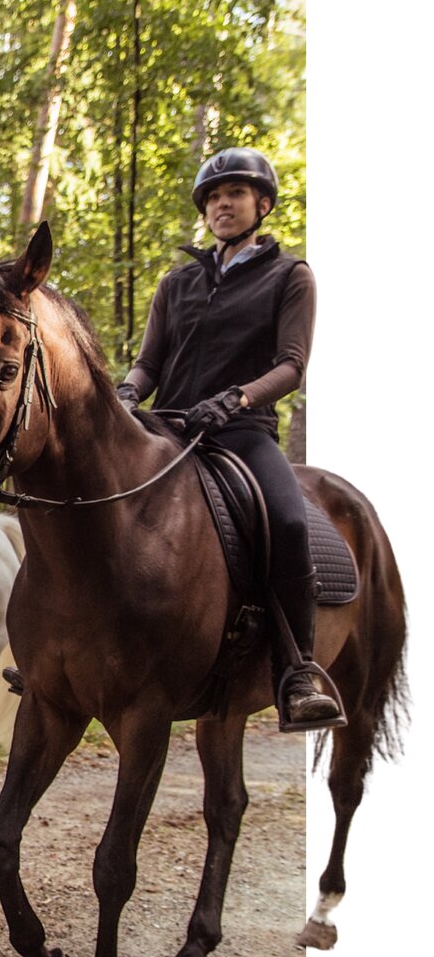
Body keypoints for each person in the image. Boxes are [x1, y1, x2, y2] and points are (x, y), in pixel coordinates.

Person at [117, 147, 344, 732]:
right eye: (214, 197)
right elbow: (149, 364)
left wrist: (238, 398)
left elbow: (292, 365)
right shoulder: (178, 282)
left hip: (241, 431)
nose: (222, 204)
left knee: (289, 521)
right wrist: (124, 394)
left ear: (261, 205)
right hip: (167, 425)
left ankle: (297, 670)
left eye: (235, 194)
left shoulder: (290, 276)